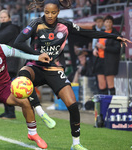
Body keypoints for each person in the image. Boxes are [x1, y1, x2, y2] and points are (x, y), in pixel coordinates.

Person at [13, 0, 132, 149]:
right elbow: (18, 42)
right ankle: (40, 111)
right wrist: (37, 54)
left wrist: (114, 36)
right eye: (47, 12)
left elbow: (87, 33)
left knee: (73, 105)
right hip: (35, 65)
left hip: (54, 69)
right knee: (23, 76)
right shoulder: (35, 24)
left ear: (58, 12)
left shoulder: (65, 25)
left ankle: (76, 144)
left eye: (53, 12)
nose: (49, 15)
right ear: (43, 11)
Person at [0, 9, 21, 119]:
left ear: (9, 18)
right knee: (3, 87)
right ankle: (7, 111)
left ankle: (11, 113)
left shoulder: (11, 29)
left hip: (10, 62)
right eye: (1, 17)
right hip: (5, 62)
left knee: (7, 88)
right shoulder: (4, 29)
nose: (3, 19)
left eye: (5, 17)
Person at [93, 15, 121, 95]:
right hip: (100, 60)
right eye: (106, 22)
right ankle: (104, 105)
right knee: (101, 85)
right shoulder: (101, 32)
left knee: (110, 84)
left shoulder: (115, 34)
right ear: (104, 23)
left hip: (110, 62)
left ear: (112, 23)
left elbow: (117, 49)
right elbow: (98, 44)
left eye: (110, 22)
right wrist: (95, 49)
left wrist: (104, 47)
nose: (108, 24)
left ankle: (112, 104)